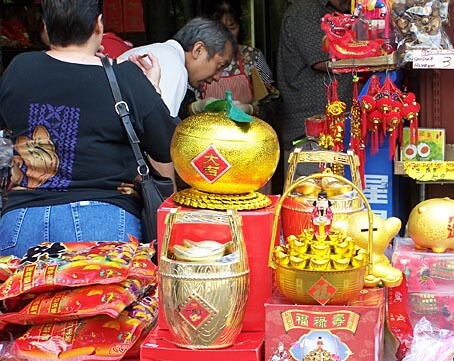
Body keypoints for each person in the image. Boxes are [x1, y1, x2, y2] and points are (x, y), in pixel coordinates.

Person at [0, 0, 176, 257]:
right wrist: (153, 91)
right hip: (104, 223)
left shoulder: (18, 69)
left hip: (21, 225)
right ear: (98, 25)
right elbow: (166, 146)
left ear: (45, 27)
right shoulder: (125, 77)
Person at [276, 0, 354, 189]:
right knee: (310, 203)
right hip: (310, 137)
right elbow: (323, 61)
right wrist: (371, 54)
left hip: (332, 132)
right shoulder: (305, 11)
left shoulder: (334, 11)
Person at [120, 17, 236, 118]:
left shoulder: (158, 52)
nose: (217, 77)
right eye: (219, 66)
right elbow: (161, 131)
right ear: (198, 50)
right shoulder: (175, 68)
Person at [186, 0, 280, 121]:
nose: (227, 36)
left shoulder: (252, 57)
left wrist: (251, 109)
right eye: (221, 30)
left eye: (232, 27)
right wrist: (195, 107)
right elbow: (182, 106)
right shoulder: (197, 60)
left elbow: (274, 100)